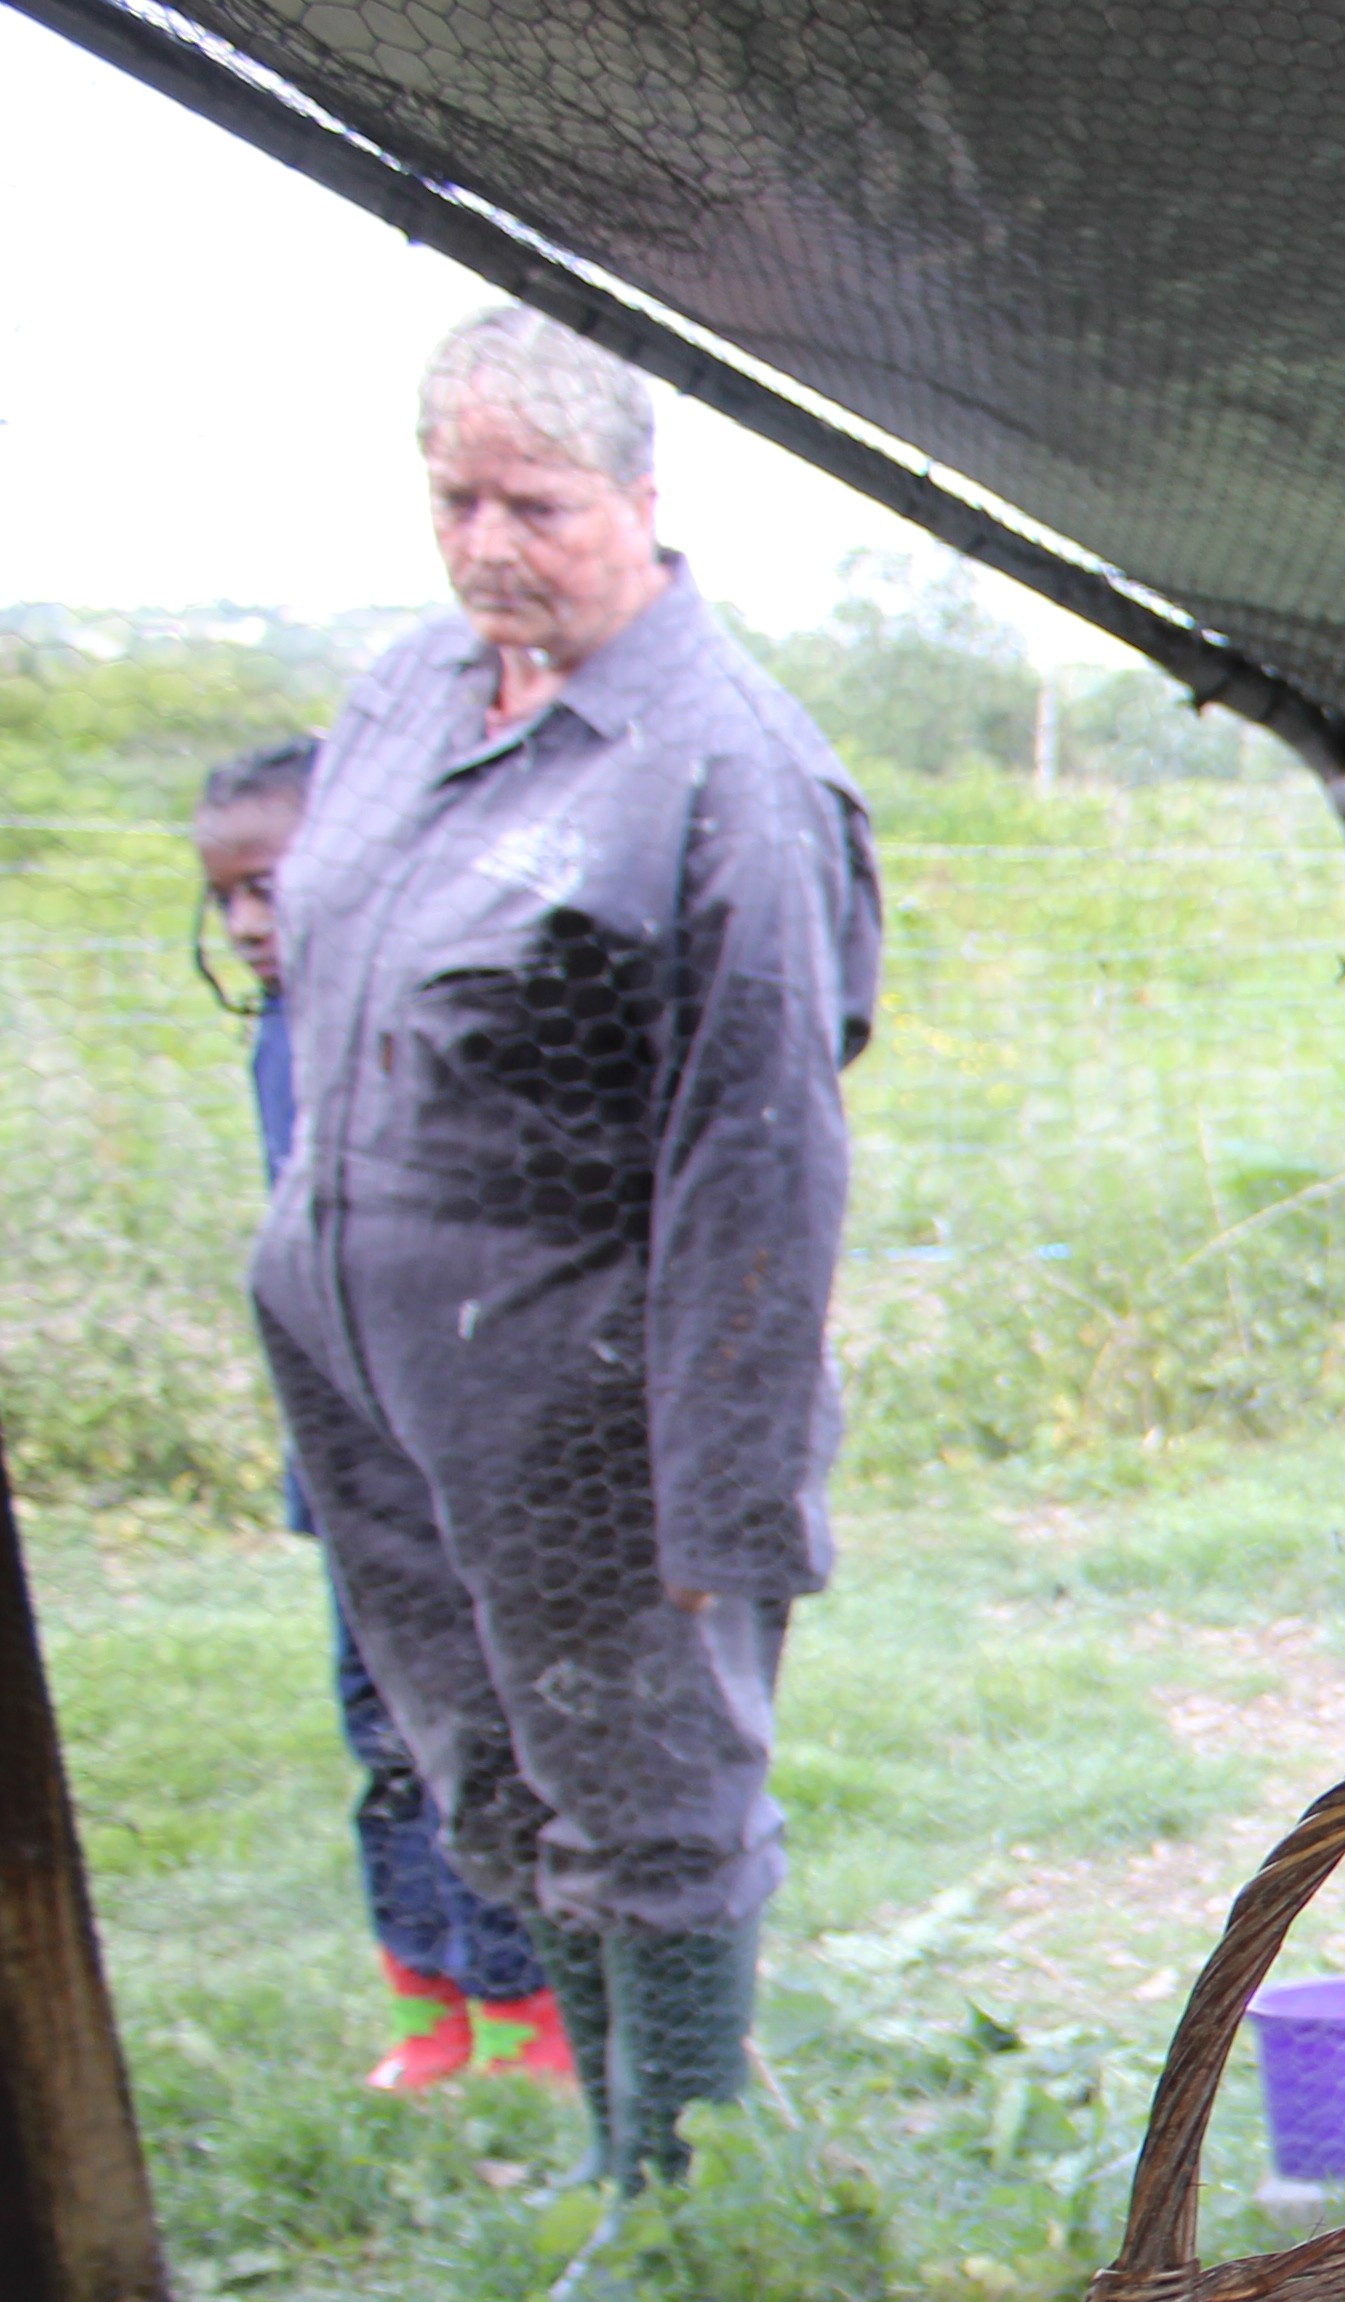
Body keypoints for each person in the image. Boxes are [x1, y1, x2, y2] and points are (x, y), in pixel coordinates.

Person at [252, 308, 881, 2194]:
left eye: (534, 501)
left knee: (654, 1792)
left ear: (642, 500)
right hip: (383, 1375)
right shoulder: (402, 702)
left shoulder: (723, 769)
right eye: (454, 500)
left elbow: (764, 1163)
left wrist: (725, 1497)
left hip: (594, 1398)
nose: (487, 544)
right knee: (500, 1776)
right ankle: (621, 2164)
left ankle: (681, 2212)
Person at [199, 737, 576, 2096]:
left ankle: (531, 2004)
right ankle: (431, 2002)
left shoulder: (430, 1021)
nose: (249, 924)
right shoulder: (283, 1036)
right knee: (385, 1733)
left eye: (272, 887)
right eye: (226, 897)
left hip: (466, 1462)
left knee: (497, 1736)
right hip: (352, 1464)